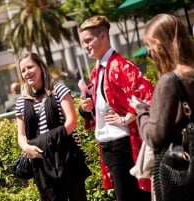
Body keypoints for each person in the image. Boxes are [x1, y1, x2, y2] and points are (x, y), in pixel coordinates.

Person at [78, 15, 154, 201]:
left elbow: (148, 96)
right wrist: (85, 108)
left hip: (123, 144)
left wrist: (127, 117)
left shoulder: (121, 65)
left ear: (103, 36)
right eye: (83, 42)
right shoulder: (97, 70)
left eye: (88, 40)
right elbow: (98, 110)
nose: (85, 46)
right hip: (109, 147)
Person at [129, 14, 194, 201]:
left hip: (178, 173)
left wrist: (141, 111)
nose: (150, 55)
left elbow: (154, 137)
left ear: (161, 46)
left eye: (150, 49)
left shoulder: (170, 82)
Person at [15, 52, 91, 201]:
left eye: (30, 67)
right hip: (41, 163)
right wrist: (26, 148)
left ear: (41, 67)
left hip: (67, 159)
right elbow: (21, 135)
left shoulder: (59, 91)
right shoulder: (21, 102)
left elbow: (71, 122)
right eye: (23, 70)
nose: (27, 72)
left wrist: (45, 142)